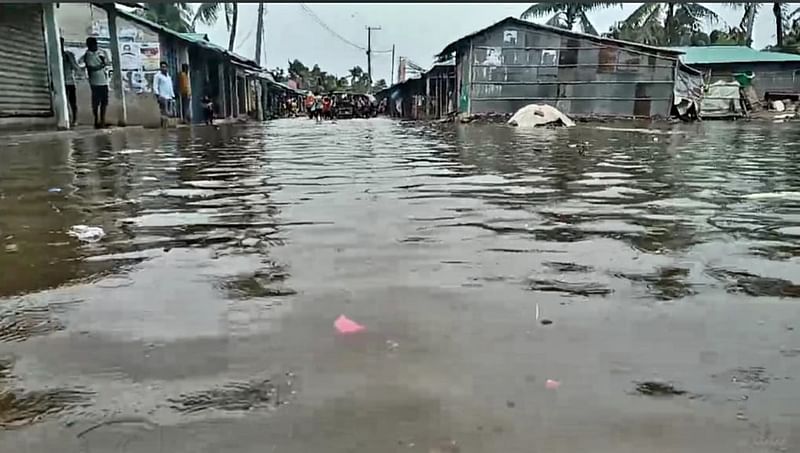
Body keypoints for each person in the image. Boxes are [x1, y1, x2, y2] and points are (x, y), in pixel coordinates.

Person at [80, 37, 108, 128]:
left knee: (104, 102)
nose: (95, 46)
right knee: (96, 102)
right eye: (93, 44)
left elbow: (105, 63)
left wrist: (103, 63)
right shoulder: (88, 55)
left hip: (103, 81)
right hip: (95, 82)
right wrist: (101, 65)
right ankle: (97, 120)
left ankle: (102, 120)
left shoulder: (100, 53)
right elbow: (91, 68)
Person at [60, 37, 80, 127]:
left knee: (72, 102)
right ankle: (67, 118)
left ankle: (75, 119)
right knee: (63, 103)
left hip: (69, 82)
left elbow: (75, 67)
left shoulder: (68, 55)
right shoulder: (53, 55)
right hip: (60, 83)